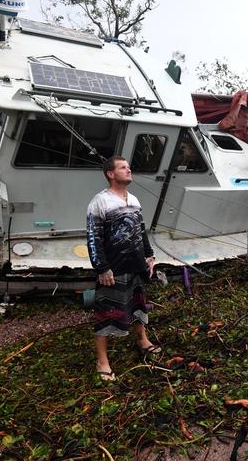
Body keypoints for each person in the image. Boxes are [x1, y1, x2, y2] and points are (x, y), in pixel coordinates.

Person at [86, 156, 160, 381]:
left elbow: (141, 231)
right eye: (123, 167)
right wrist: (102, 268)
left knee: (138, 305)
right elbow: (93, 237)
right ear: (111, 174)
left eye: (129, 166)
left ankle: (142, 340)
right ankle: (102, 361)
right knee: (106, 313)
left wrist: (149, 256)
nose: (129, 170)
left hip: (136, 265)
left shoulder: (134, 200)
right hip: (113, 270)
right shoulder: (99, 202)